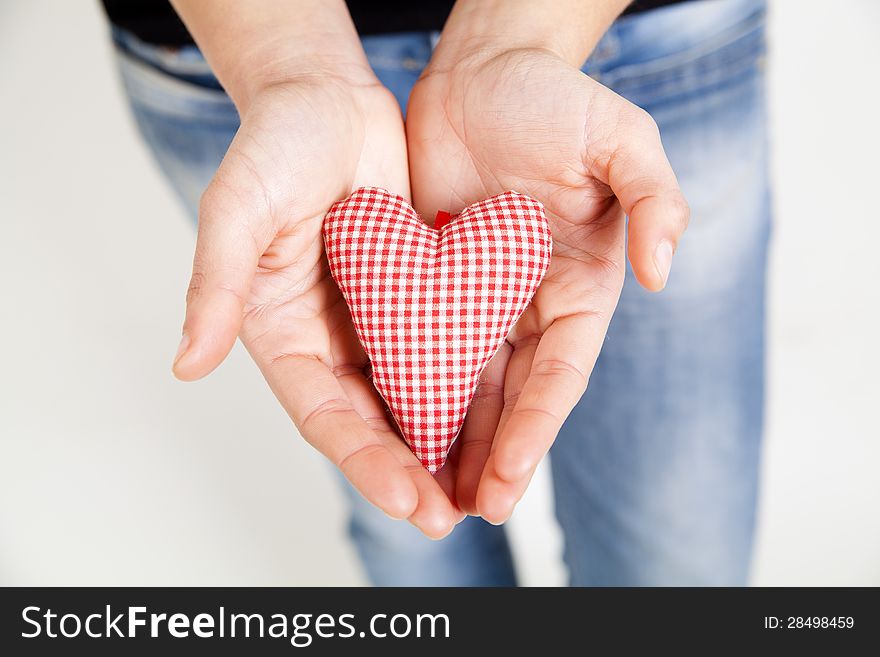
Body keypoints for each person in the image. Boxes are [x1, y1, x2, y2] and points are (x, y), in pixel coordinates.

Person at [104, 0, 770, 585]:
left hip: (633, 38)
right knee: (409, 531)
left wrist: (520, 34)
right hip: (237, 57)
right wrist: (289, 62)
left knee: (677, 558)